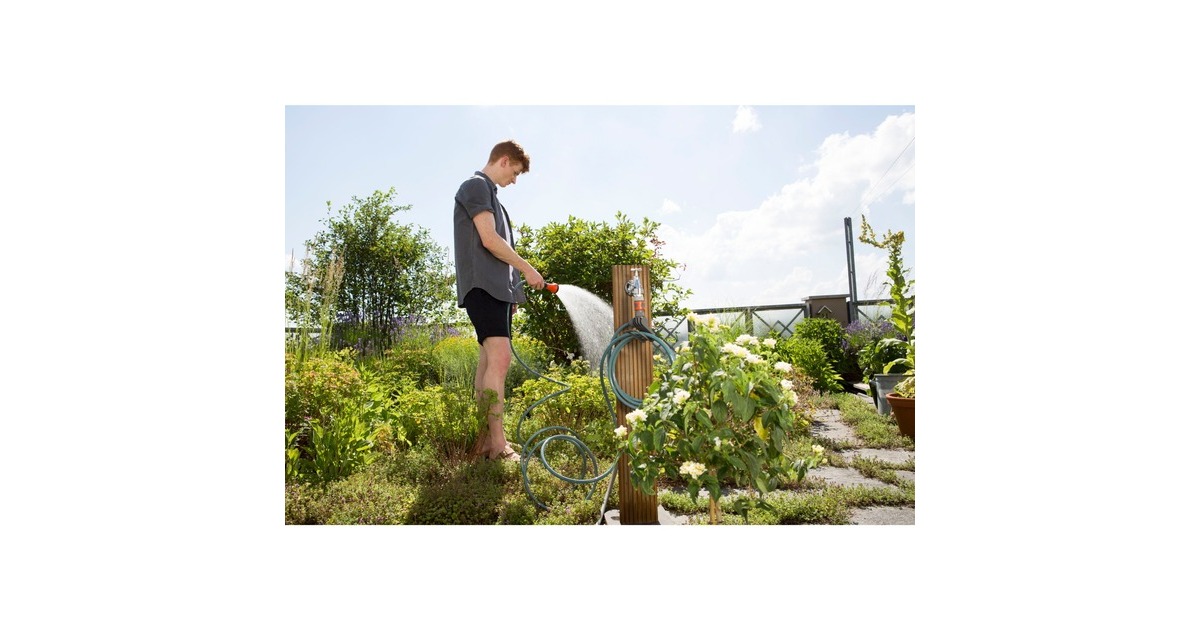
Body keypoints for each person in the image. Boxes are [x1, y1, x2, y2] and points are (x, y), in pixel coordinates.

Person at [453, 140, 545, 461]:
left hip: (496, 290)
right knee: (501, 359)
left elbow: (499, 253)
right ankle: (499, 444)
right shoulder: (476, 187)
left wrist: (513, 291)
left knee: (489, 362)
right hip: (482, 288)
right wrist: (527, 268)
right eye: (516, 173)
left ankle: (485, 443)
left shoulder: (493, 198)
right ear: (504, 161)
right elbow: (490, 241)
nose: (515, 180)